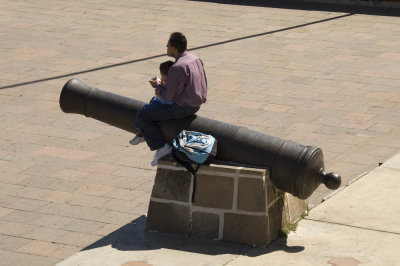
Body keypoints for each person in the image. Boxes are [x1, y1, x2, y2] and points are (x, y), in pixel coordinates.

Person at [134, 32, 208, 166]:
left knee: (143, 115)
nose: (166, 48)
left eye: (167, 46)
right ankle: (144, 133)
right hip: (195, 104)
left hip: (182, 107)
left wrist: (156, 85)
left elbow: (168, 95)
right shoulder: (195, 59)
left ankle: (162, 148)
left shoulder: (177, 67)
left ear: (174, 48)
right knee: (153, 103)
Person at [129, 60, 175, 146]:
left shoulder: (169, 86)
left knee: (142, 114)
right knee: (150, 104)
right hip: (164, 102)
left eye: (162, 75)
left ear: (165, 75)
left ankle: (141, 134)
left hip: (163, 105)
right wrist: (160, 82)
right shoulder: (175, 82)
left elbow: (164, 96)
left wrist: (157, 86)